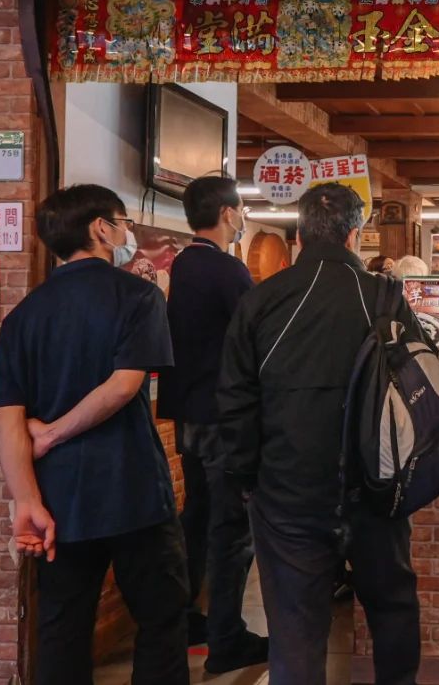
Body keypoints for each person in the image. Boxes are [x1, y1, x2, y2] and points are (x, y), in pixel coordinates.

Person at [218, 183, 425, 685]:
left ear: (300, 237)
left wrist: (249, 479)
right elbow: (421, 386)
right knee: (392, 610)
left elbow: (234, 402)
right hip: (376, 489)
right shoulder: (385, 297)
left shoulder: (261, 300)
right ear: (355, 235)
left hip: (287, 494)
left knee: (295, 629)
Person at [0, 184, 188, 685]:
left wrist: (27, 503)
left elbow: (8, 421)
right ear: (101, 227)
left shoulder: (22, 318)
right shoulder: (139, 295)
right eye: (122, 222)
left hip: (59, 500)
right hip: (134, 490)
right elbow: (124, 387)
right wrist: (56, 434)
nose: (126, 233)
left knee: (62, 627)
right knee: (162, 620)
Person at [155, 176, 266, 671]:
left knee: (197, 517)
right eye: (241, 208)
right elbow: (256, 339)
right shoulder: (226, 269)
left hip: (188, 413)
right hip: (224, 418)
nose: (243, 216)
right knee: (232, 529)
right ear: (226, 213)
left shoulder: (182, 264)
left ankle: (187, 617)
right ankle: (226, 638)